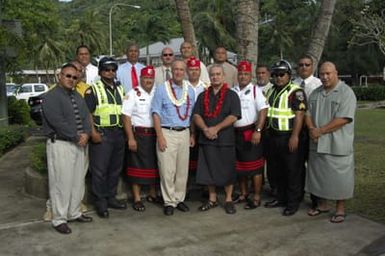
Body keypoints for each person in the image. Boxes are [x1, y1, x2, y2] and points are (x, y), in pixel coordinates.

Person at [42, 63, 93, 234]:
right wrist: (77, 136)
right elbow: (57, 122)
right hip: (62, 144)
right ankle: (59, 219)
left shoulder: (77, 96)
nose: (71, 79)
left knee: (77, 182)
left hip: (79, 144)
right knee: (61, 183)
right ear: (60, 76)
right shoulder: (51, 97)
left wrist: (86, 133)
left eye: (74, 77)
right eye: (68, 76)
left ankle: (74, 212)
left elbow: (86, 116)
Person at [305, 62, 356, 223]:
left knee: (340, 178)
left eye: (328, 73)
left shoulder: (346, 92)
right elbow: (307, 114)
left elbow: (343, 119)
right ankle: (323, 205)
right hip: (318, 144)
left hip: (337, 144)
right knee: (319, 177)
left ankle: (340, 209)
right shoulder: (315, 93)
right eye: (322, 74)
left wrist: (320, 130)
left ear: (336, 73)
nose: (325, 77)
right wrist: (312, 128)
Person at [193, 64, 241, 214]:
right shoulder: (203, 95)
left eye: (218, 74)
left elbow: (234, 116)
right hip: (206, 138)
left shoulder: (232, 95)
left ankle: (228, 199)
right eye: (212, 74)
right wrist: (205, 129)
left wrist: (216, 128)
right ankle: (212, 199)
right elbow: (196, 115)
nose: (215, 77)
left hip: (225, 139)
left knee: (227, 169)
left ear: (223, 76)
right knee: (208, 169)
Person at [151, 60, 195, 216]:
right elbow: (155, 113)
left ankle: (179, 198)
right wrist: (160, 136)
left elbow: (191, 115)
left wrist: (192, 134)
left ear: (185, 72)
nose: (178, 72)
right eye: (175, 69)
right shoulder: (162, 89)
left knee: (182, 170)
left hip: (184, 132)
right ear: (171, 71)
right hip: (167, 132)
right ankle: (169, 201)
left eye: (181, 70)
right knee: (167, 170)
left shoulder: (190, 90)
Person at [84, 57, 127, 218]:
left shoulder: (120, 88)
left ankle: (111, 197)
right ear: (101, 71)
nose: (110, 72)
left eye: (113, 70)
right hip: (102, 134)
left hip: (118, 133)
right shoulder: (93, 89)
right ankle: (100, 201)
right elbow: (88, 113)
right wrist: (93, 132)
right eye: (107, 69)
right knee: (100, 170)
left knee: (115, 169)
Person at [264, 60, 307, 216]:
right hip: (273, 137)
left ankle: (293, 202)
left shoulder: (296, 92)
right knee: (277, 170)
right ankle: (280, 198)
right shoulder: (270, 91)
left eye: (282, 74)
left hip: (289, 136)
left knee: (292, 171)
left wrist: (295, 136)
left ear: (289, 75)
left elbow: (299, 115)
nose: (278, 77)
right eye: (275, 74)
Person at [122, 66, 161, 212]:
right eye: (145, 78)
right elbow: (126, 117)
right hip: (139, 135)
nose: (148, 80)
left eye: (151, 78)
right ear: (140, 78)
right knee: (136, 167)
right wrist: (130, 138)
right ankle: (137, 198)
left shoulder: (159, 92)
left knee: (154, 166)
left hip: (155, 134)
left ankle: (152, 193)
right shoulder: (133, 93)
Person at [232, 61, 269, 209]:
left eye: (246, 74)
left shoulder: (255, 90)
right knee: (239, 167)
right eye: (240, 74)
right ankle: (243, 193)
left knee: (255, 169)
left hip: (251, 133)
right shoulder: (232, 91)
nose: (243, 76)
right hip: (235, 134)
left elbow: (263, 110)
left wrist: (258, 130)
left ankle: (257, 196)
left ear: (250, 75)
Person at [292, 55, 322, 201]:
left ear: (312, 66)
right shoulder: (293, 84)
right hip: (297, 130)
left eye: (307, 64)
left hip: (314, 129)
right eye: (301, 64)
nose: (304, 67)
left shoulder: (319, 84)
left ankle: (316, 199)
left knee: (314, 166)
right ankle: (298, 195)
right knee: (297, 165)